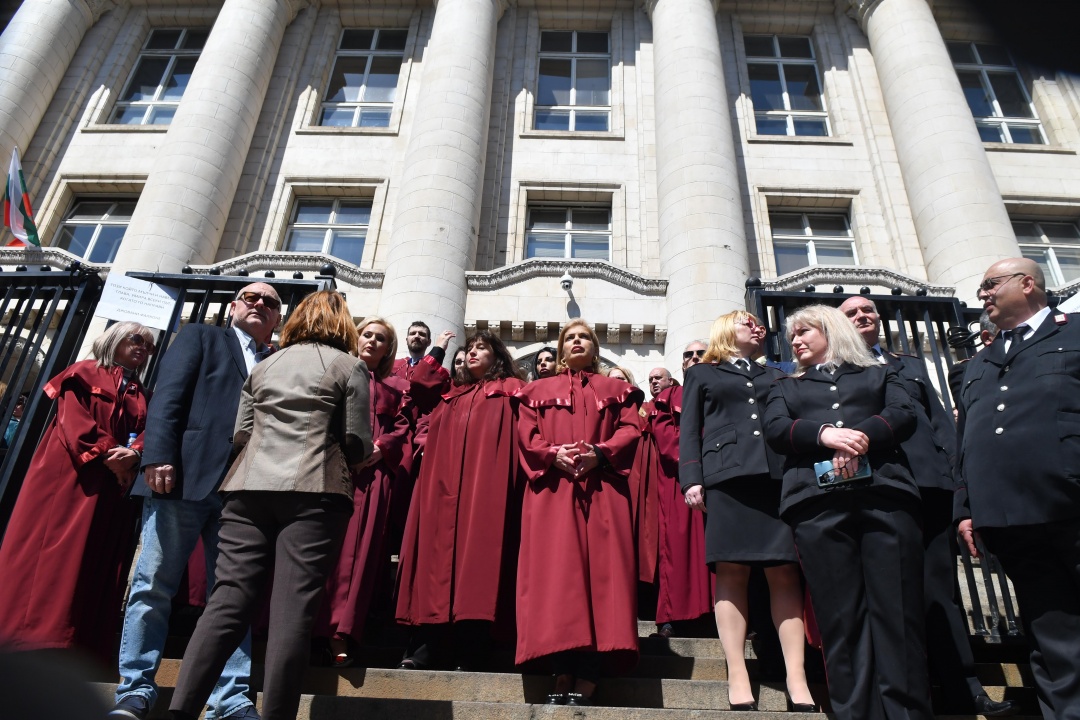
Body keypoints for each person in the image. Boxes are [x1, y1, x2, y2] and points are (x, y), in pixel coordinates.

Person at [168, 290, 373, 720]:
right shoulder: (349, 366)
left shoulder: (264, 365)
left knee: (226, 604)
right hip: (314, 491)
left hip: (248, 489)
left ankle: (180, 711)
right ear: (343, 325)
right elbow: (355, 441)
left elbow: (242, 433)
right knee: (291, 613)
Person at [111, 283, 281, 720]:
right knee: (153, 585)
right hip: (182, 479)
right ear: (232, 307)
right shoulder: (201, 337)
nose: (260, 304)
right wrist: (159, 455)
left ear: (279, 318)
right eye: (251, 297)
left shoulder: (277, 361)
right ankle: (135, 689)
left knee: (233, 597)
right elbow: (169, 395)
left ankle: (230, 698)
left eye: (271, 302)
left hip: (243, 493)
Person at [838, 295, 1013, 716]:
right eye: (852, 313)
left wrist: (959, 488)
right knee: (885, 596)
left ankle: (962, 687)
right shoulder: (834, 370)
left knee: (940, 593)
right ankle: (902, 695)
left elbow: (941, 424)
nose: (863, 316)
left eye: (869, 312)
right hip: (875, 491)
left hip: (929, 487)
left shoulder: (909, 364)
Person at [764, 304, 931, 720]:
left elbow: (904, 413)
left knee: (899, 615)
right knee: (840, 621)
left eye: (805, 332)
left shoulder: (881, 372)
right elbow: (775, 429)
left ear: (831, 329)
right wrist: (824, 433)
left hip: (885, 498)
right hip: (817, 509)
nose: (795, 341)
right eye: (793, 335)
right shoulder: (784, 385)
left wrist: (857, 438)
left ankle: (906, 713)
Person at [956, 258, 1080, 720]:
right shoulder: (978, 364)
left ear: (1028, 283)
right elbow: (964, 442)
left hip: (1071, 502)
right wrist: (964, 509)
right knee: (1053, 636)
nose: (982, 294)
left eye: (990, 284)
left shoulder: (1074, 332)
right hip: (1011, 518)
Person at [680, 311, 816, 712]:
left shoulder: (777, 374)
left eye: (759, 323)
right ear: (726, 331)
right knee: (731, 571)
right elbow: (690, 428)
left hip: (777, 479)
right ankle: (737, 672)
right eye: (747, 322)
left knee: (785, 572)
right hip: (728, 480)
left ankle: (797, 676)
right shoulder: (704, 374)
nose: (757, 327)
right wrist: (691, 477)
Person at [0, 322, 153, 664]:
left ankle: (78, 639)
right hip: (72, 476)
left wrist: (134, 454)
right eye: (138, 339)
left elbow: (149, 429)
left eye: (151, 346)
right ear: (114, 339)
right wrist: (110, 455)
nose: (144, 348)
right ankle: (31, 635)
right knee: (52, 551)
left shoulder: (142, 393)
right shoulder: (83, 373)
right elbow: (75, 423)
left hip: (114, 484)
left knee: (93, 554)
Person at [515, 319, 643, 706]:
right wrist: (553, 455)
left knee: (603, 578)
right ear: (560, 348)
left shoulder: (619, 391)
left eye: (584, 337)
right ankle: (560, 667)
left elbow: (630, 429)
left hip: (603, 489)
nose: (577, 342)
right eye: (569, 338)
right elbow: (527, 435)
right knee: (557, 579)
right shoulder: (535, 391)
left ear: (595, 347)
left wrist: (599, 454)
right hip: (552, 491)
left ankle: (590, 671)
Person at [396, 331, 525, 671]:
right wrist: (439, 346)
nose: (471, 353)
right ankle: (424, 646)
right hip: (441, 489)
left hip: (486, 489)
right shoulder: (451, 392)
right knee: (433, 563)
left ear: (497, 356)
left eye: (481, 348)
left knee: (478, 566)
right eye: (468, 349)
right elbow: (420, 382)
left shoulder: (512, 389)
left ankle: (472, 650)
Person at [319, 318, 414, 666]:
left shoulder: (397, 385)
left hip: (373, 478)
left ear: (389, 349)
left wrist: (379, 449)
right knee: (321, 549)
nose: (372, 341)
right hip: (331, 470)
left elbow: (403, 425)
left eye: (381, 339)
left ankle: (341, 633)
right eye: (367, 334)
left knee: (358, 556)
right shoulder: (335, 371)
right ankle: (309, 628)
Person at [392, 321, 453, 417]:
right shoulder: (392, 365)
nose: (417, 336)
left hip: (420, 424)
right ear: (406, 339)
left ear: (429, 342)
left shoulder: (437, 372)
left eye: (422, 334)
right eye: (412, 333)